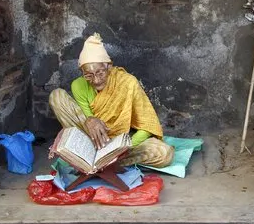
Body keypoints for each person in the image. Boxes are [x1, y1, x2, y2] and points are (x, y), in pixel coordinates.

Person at [49, 33, 174, 168]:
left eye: (100, 73)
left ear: (109, 66)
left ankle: (109, 162)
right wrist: (89, 119)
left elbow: (146, 127)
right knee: (57, 96)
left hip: (124, 143)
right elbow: (86, 119)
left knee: (163, 153)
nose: (95, 80)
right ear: (82, 72)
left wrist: (123, 147)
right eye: (88, 75)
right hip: (93, 140)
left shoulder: (128, 82)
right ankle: (89, 156)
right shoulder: (78, 85)